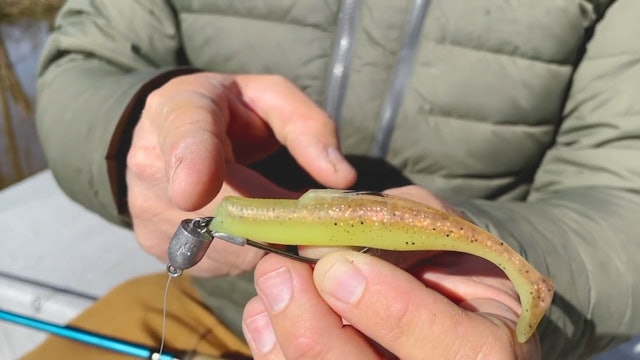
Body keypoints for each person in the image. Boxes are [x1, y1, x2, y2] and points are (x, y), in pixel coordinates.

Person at [25, 0, 640, 359]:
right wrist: (128, 126)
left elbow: (625, 207)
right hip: (210, 307)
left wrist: (457, 247)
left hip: (450, 325)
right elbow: (88, 60)